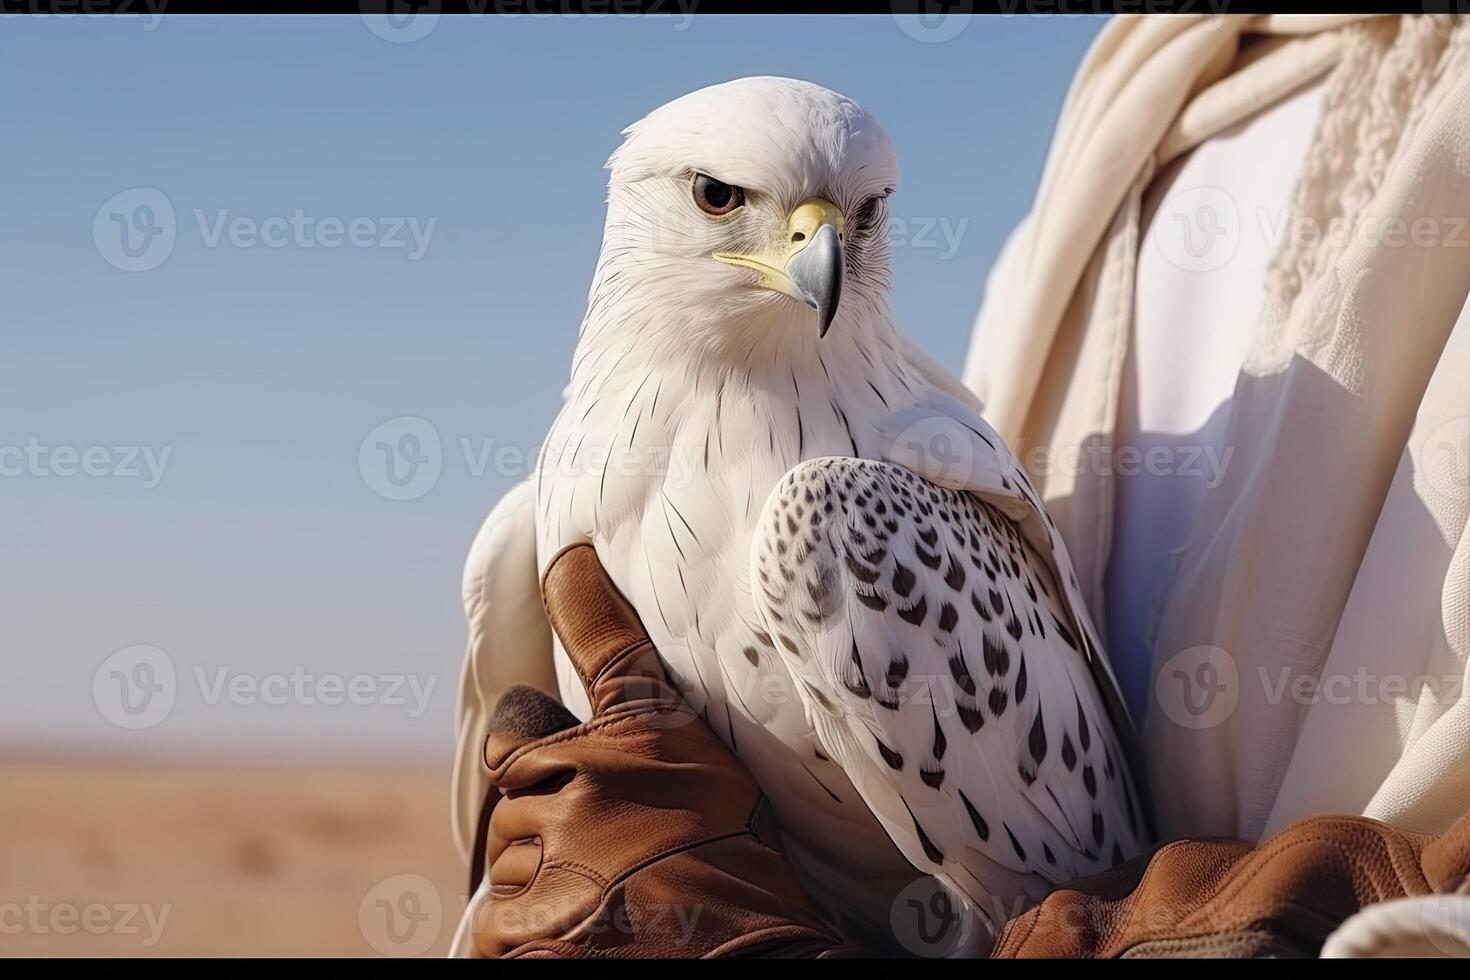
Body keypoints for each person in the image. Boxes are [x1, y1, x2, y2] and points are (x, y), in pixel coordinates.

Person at [451, 13, 1470, 957]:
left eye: (859, 218)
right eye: (722, 199)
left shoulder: (853, 523)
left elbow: (1047, 906)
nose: (820, 252)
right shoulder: (1150, 92)